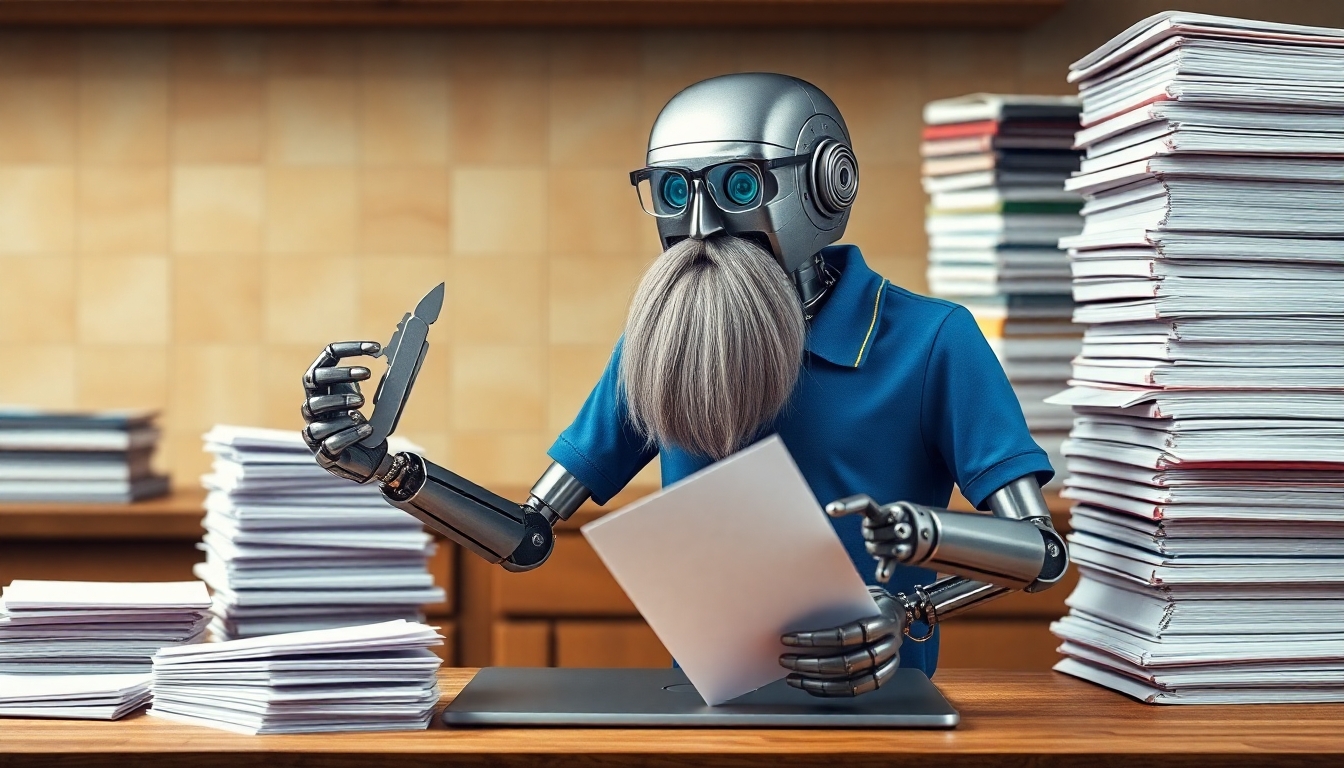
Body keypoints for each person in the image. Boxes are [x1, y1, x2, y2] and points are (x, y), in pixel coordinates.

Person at [301, 73, 1068, 697]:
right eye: (672, 191)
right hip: (712, 711)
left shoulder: (934, 341)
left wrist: (913, 604)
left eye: (736, 186)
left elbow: (1042, 551)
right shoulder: (662, 340)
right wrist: (392, 472)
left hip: (886, 702)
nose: (698, 223)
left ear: (826, 183)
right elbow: (531, 537)